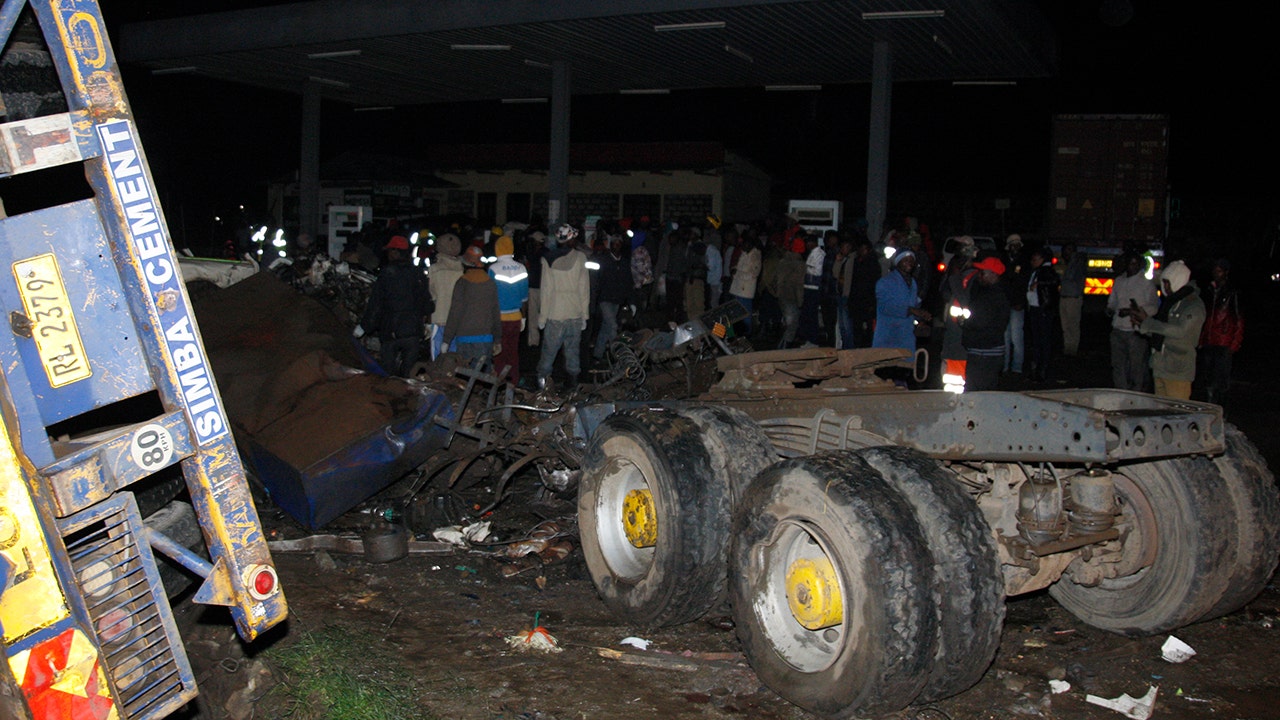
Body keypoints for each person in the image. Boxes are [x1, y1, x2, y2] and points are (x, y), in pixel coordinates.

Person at [1129, 260, 1204, 400]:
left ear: (1178, 280)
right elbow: (1161, 330)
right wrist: (1141, 325)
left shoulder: (1193, 305)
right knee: (1160, 414)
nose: (1165, 287)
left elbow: (1180, 331)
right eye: (1163, 282)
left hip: (1178, 370)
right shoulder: (1171, 303)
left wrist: (1147, 322)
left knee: (1176, 415)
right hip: (1160, 366)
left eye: (1168, 282)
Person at [360, 235, 431, 377]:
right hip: (412, 332)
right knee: (408, 376)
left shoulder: (387, 274)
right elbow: (427, 305)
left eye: (389, 251)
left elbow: (376, 304)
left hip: (391, 332)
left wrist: (365, 326)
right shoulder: (418, 273)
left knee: (388, 377)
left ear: (395, 252)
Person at [536, 224, 591, 390]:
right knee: (572, 353)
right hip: (574, 312)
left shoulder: (548, 259)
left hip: (555, 313)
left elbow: (546, 290)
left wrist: (542, 317)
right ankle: (572, 387)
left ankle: (542, 385)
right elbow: (584, 288)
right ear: (571, 238)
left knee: (549, 353)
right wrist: (585, 315)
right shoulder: (581, 258)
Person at [1106, 253, 1159, 391]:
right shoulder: (1119, 281)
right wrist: (1110, 309)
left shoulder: (1146, 283)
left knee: (1136, 367)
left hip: (1135, 330)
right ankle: (1121, 392)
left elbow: (1153, 306)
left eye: (1135, 264)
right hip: (1118, 328)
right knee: (1118, 365)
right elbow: (1112, 301)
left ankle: (1136, 394)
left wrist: (1132, 312)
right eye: (1130, 263)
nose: (1132, 267)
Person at [444, 245, 502, 367]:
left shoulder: (462, 282)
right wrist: (497, 339)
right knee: (483, 380)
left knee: (464, 379)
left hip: (464, 337)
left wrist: (446, 339)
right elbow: (495, 312)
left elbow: (455, 312)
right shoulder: (490, 283)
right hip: (485, 338)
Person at [1197, 258, 1244, 405]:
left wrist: (1234, 344)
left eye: (1219, 271)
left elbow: (1239, 319)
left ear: (1226, 273)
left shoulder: (1232, 292)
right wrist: (1201, 339)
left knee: (1221, 380)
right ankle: (1210, 407)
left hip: (1224, 341)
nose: (1216, 274)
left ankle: (1222, 411)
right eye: (1214, 270)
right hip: (1209, 341)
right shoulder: (1209, 291)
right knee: (1208, 379)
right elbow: (1205, 317)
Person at [961, 255, 1011, 392]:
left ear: (993, 275)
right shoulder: (990, 292)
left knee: (977, 394)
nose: (979, 276)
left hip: (985, 352)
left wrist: (965, 322)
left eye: (983, 273)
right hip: (987, 350)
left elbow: (980, 322)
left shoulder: (992, 296)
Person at [489, 234, 529, 384]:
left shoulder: (493, 268)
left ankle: (499, 385)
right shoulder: (521, 268)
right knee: (513, 353)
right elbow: (525, 297)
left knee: (499, 354)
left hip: (499, 319)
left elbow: (490, 296)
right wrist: (523, 317)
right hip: (516, 318)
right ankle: (514, 383)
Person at [873, 249, 930, 352]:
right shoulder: (885, 282)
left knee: (906, 366)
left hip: (906, 338)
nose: (910, 263)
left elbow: (914, 305)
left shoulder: (912, 283)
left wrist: (920, 317)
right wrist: (912, 310)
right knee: (888, 366)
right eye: (906, 260)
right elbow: (885, 307)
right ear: (897, 262)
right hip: (888, 337)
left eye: (912, 260)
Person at [592, 233, 635, 365]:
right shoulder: (604, 260)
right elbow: (596, 281)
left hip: (617, 300)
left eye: (618, 244)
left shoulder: (624, 262)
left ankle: (597, 354)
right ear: (610, 246)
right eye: (614, 244)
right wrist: (594, 299)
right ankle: (619, 356)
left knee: (606, 327)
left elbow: (628, 282)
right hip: (604, 299)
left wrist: (632, 302)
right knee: (613, 326)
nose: (616, 246)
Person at [1024, 246, 1059, 382]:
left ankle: (1042, 370)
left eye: (1035, 259)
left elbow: (1054, 281)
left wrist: (1039, 283)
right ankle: (1038, 369)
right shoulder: (1039, 271)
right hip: (1036, 308)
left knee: (1042, 340)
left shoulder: (1046, 270)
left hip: (1042, 310)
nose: (1032, 261)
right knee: (1038, 340)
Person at [427, 232, 464, 359]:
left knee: (437, 358)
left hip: (439, 319)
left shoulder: (435, 269)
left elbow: (430, 295)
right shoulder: (462, 270)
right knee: (454, 358)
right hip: (458, 321)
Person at [771, 237, 806, 348]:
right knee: (792, 324)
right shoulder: (800, 265)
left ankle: (781, 346)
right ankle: (783, 348)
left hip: (781, 296)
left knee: (788, 323)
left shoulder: (782, 261)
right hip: (792, 297)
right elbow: (799, 285)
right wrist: (801, 302)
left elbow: (775, 279)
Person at [1002, 234, 1028, 375]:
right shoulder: (1004, 260)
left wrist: (1021, 302)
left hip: (1017, 304)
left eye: (1017, 245)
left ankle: (1017, 368)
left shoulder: (1024, 262)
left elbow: (1024, 284)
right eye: (1013, 245)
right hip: (1006, 303)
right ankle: (1005, 367)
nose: (1015, 247)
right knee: (1005, 337)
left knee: (1017, 337)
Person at [849, 239, 880, 348]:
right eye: (860, 249)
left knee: (868, 327)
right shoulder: (857, 262)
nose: (862, 251)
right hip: (857, 300)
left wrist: (872, 303)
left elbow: (874, 284)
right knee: (857, 327)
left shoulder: (873, 263)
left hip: (868, 301)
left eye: (864, 249)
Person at [728, 232, 761, 334]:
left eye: (744, 245)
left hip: (745, 290)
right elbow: (739, 267)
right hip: (737, 288)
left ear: (750, 244)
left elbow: (753, 274)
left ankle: (747, 334)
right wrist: (734, 270)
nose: (742, 247)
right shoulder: (745, 253)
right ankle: (735, 334)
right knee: (735, 313)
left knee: (745, 314)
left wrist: (737, 274)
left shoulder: (755, 255)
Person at [1058, 242, 1086, 356]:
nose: (1065, 252)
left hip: (1073, 297)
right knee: (1066, 325)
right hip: (1065, 296)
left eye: (1068, 250)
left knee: (1072, 325)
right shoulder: (1070, 262)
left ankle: (1072, 348)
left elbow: (1070, 277)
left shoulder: (1077, 262)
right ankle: (1068, 347)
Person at [799, 232, 824, 347]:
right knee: (807, 315)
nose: (807, 244)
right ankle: (808, 339)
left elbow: (817, 271)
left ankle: (814, 340)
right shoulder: (811, 254)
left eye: (808, 242)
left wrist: (806, 268)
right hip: (808, 287)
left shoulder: (820, 254)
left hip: (814, 289)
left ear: (814, 242)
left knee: (812, 315)